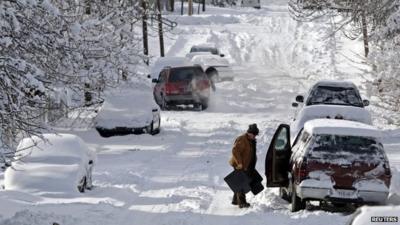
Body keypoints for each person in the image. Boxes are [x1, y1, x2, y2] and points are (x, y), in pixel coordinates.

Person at [229, 123, 259, 208]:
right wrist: (239, 163)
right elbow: (235, 151)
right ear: (249, 132)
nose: (255, 136)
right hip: (240, 165)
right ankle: (242, 202)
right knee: (241, 183)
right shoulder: (242, 139)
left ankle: (235, 200)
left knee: (240, 182)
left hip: (246, 165)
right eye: (253, 134)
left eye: (256, 134)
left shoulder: (251, 140)